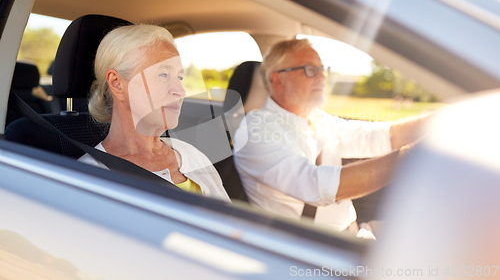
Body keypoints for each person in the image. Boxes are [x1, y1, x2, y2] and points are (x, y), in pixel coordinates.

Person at [233, 38, 428, 232]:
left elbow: (381, 137)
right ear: (278, 80)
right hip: (311, 249)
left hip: (352, 233)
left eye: (322, 69)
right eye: (310, 70)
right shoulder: (253, 133)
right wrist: (412, 155)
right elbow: (318, 185)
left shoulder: (317, 119)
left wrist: (441, 122)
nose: (321, 77)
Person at [78, 24, 230, 202]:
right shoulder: (88, 178)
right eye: (163, 75)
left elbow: (234, 224)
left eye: (179, 77)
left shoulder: (190, 154)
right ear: (117, 83)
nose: (180, 91)